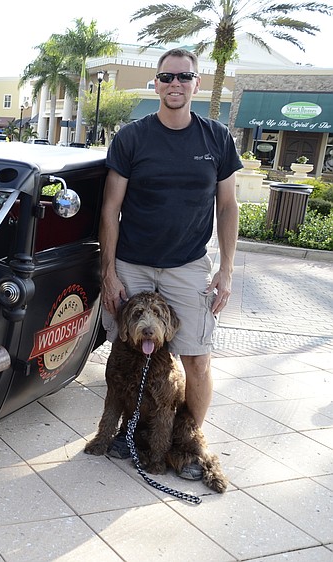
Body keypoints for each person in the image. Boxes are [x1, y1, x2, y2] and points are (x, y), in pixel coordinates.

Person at [99, 48, 242, 480]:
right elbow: (110, 208)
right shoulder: (133, 137)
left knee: (196, 359)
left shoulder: (216, 138)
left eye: (184, 77)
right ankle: (130, 432)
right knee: (126, 353)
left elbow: (229, 206)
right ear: (156, 84)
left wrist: (227, 269)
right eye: (167, 77)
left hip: (187, 266)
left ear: (197, 83)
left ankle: (190, 444)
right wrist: (108, 271)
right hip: (133, 265)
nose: (175, 84)